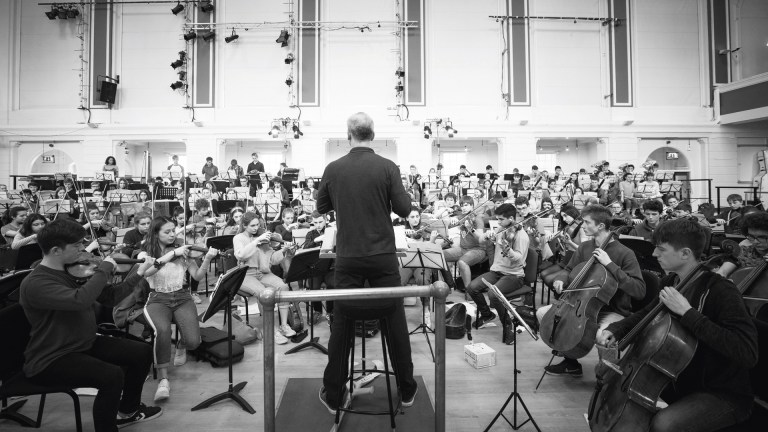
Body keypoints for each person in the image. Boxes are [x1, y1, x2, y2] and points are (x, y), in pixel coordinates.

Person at [596, 218, 757, 432]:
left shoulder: (720, 290)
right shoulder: (672, 281)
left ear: (685, 253)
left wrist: (687, 312)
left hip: (720, 391)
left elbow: (746, 351)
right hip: (678, 380)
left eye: (661, 249)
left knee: (664, 425)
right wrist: (616, 330)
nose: (654, 254)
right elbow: (647, 314)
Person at [19, 218, 162, 432]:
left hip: (82, 343)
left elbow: (110, 297)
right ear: (56, 250)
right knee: (112, 376)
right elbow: (80, 300)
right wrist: (104, 268)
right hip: (53, 356)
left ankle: (128, 411)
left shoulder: (72, 271)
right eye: (77, 245)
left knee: (141, 352)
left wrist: (139, 273)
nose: (83, 249)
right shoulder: (37, 283)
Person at [317, 112, 418, 414]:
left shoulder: (333, 168)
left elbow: (322, 206)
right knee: (394, 321)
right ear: (372, 134)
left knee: (342, 324)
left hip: (348, 256)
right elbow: (403, 208)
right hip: (383, 257)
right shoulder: (388, 167)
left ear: (348, 134)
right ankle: (407, 390)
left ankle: (334, 395)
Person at [536, 204, 645, 377]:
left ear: (600, 225)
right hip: (580, 306)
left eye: (586, 222)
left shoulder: (625, 253)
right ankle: (570, 363)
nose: (582, 226)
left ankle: (607, 375)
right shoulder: (584, 247)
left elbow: (639, 290)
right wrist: (560, 279)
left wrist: (609, 264)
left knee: (603, 335)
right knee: (544, 314)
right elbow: (567, 269)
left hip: (612, 310)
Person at [138, 216, 216, 402]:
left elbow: (197, 276)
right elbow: (146, 273)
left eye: (174, 230)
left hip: (182, 297)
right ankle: (164, 379)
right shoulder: (145, 254)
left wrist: (208, 259)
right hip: (158, 298)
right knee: (162, 330)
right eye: (167, 231)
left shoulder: (182, 252)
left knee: (193, 342)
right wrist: (173, 254)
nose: (173, 234)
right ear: (155, 233)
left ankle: (180, 344)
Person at [468, 203, 530, 343]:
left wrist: (508, 250)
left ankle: (508, 324)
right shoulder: (501, 229)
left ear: (511, 218)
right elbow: (481, 241)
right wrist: (487, 235)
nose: (499, 222)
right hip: (497, 271)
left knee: (493, 294)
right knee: (472, 287)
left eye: (501, 219)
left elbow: (519, 260)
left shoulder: (521, 236)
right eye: (498, 219)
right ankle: (487, 314)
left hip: (514, 275)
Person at [233, 211, 296, 344]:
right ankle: (270, 330)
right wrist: (256, 241)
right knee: (264, 293)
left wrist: (284, 251)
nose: (256, 228)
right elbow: (240, 255)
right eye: (253, 226)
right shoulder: (239, 238)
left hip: (262, 273)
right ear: (245, 226)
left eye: (258, 225)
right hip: (245, 274)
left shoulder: (263, 239)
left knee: (283, 286)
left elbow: (272, 259)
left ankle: (284, 325)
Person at [717, 211, 768, 277]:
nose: (755, 242)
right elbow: (722, 272)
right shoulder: (742, 252)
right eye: (751, 236)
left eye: (762, 237)